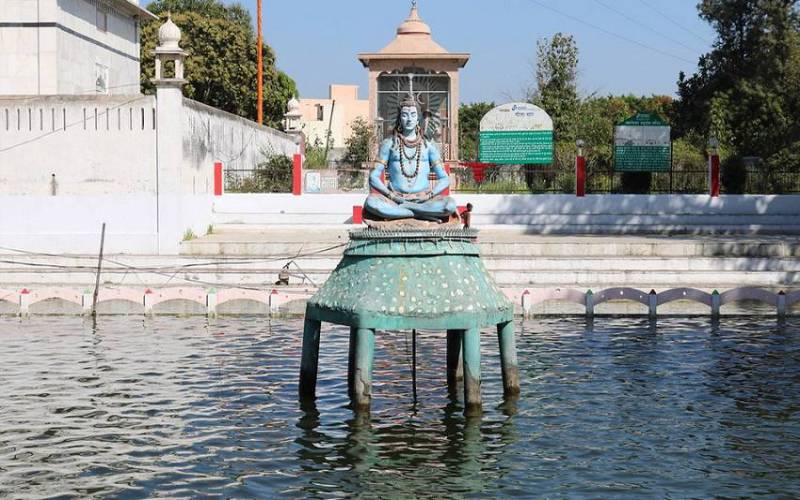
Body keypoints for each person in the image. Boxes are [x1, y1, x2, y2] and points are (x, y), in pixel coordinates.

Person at [363, 94, 457, 222]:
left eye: (413, 115)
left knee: (449, 205)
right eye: (405, 115)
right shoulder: (389, 144)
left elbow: (444, 179)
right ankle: (418, 214)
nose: (409, 119)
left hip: (424, 200)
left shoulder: (428, 146)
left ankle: (405, 211)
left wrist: (430, 195)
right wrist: (391, 196)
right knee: (371, 202)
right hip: (395, 200)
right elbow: (373, 177)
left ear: (418, 118)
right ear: (399, 118)